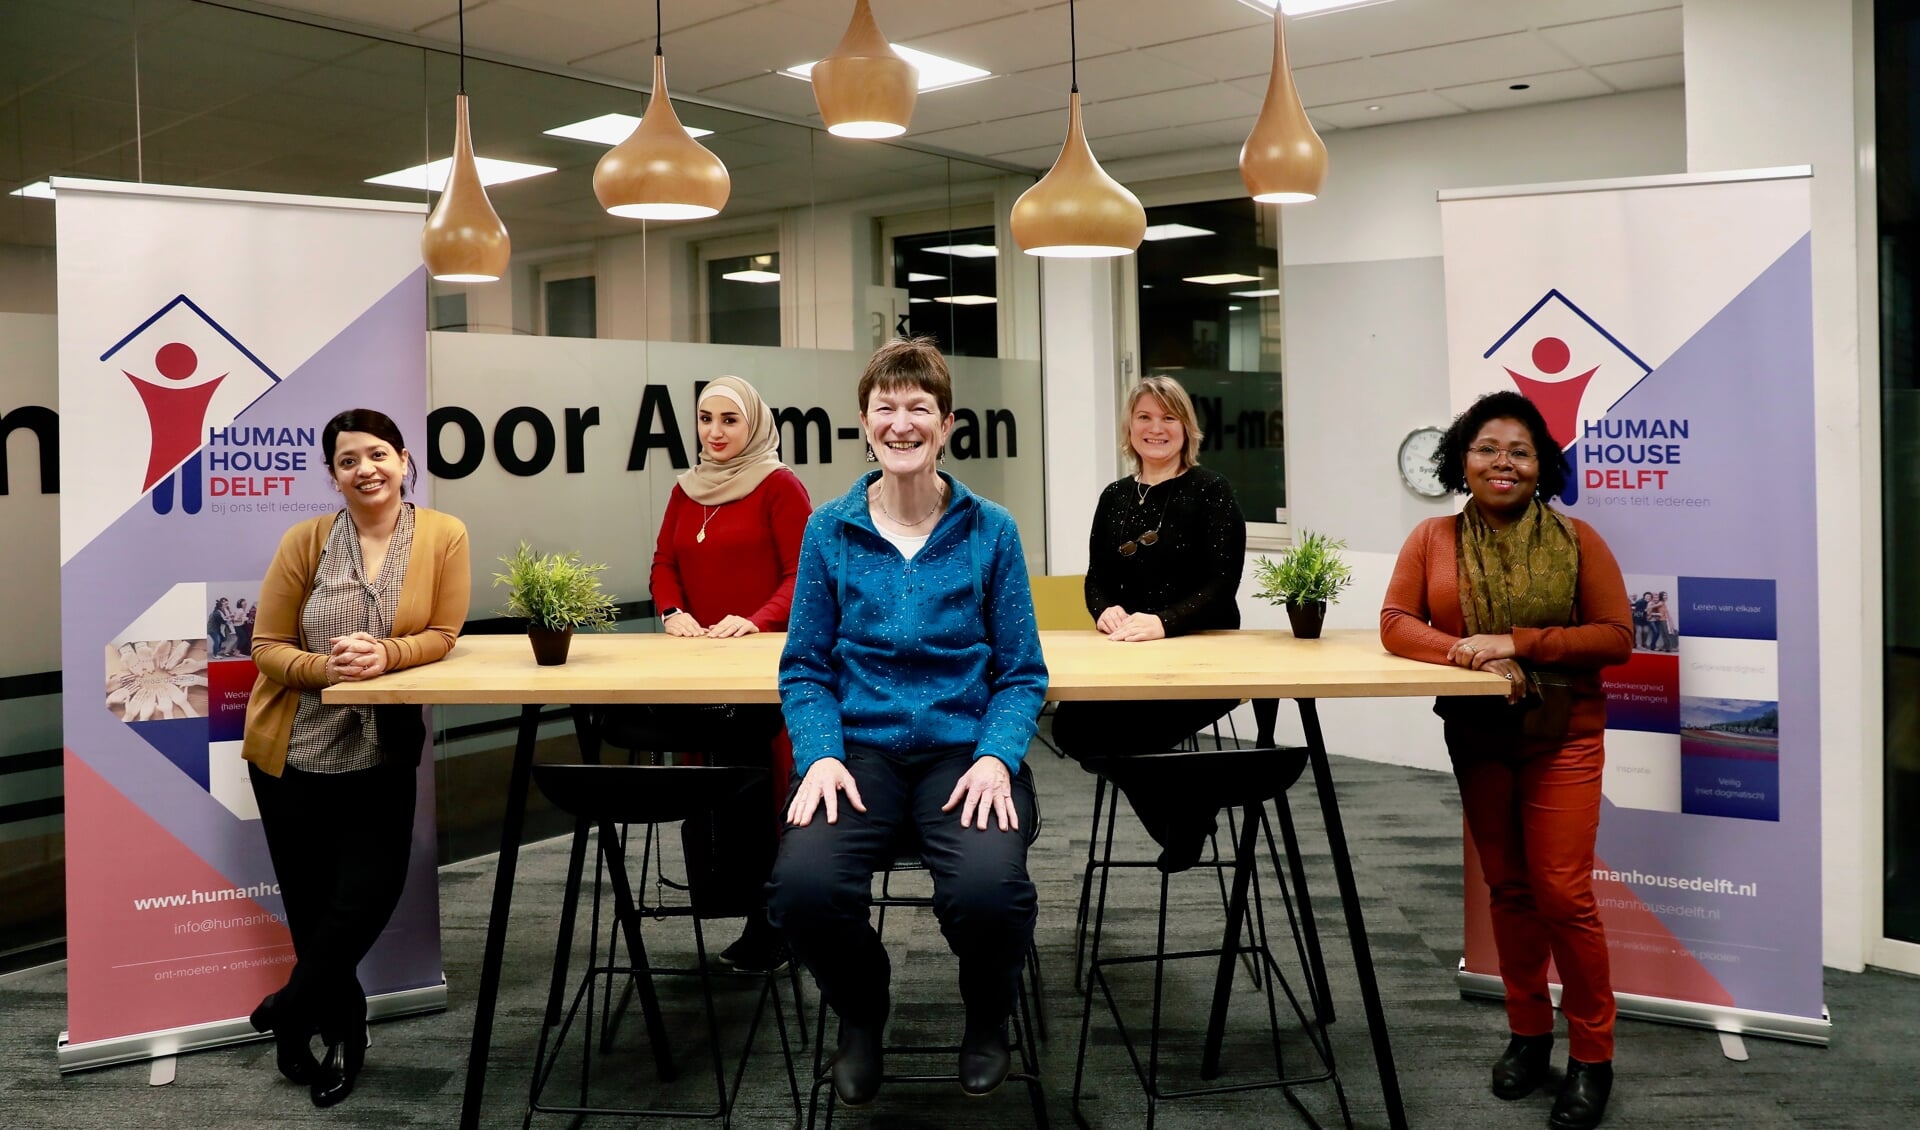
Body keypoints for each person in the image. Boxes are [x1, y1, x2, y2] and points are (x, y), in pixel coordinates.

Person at [767, 338, 1048, 1108]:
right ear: (864, 423)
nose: (901, 423)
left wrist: (997, 757)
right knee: (802, 890)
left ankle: (989, 1016)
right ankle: (861, 1012)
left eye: (918, 408)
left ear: (947, 423)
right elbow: (805, 665)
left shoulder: (992, 529)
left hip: (964, 751)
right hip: (859, 752)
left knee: (992, 894)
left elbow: (1023, 671)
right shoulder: (830, 529)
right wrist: (820, 755)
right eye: (885, 408)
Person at [1380, 390, 1631, 1130]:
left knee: (1562, 892)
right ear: (1463, 457)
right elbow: (1398, 623)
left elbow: (1616, 635)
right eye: (1488, 448)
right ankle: (1529, 1035)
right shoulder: (1432, 538)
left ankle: (1593, 1055)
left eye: (1519, 451)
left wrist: (1517, 641)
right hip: (1479, 732)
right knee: (1511, 891)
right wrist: (1465, 651)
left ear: (1540, 466)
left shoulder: (1579, 540)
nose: (1503, 462)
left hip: (1566, 733)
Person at [242, 408, 470, 1109]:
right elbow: (265, 646)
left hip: (380, 752)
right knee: (314, 913)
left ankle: (288, 1010)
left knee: (366, 897)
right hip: (293, 751)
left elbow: (443, 632)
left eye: (377, 454)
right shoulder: (306, 540)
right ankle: (344, 1035)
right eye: (348, 460)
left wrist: (388, 655)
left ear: (405, 460)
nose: (365, 469)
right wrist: (326, 670)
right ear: (333, 473)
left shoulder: (442, 535)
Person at [625, 375, 811, 971]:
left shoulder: (781, 487)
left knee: (768, 790)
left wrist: (754, 622)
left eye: (729, 420)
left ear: (753, 424)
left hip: (763, 669)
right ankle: (731, 903)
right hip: (700, 666)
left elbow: (802, 575)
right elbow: (663, 562)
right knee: (711, 788)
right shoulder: (686, 488)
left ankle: (777, 922)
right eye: (706, 419)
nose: (715, 432)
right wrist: (673, 612)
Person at [1050, 375, 1247, 872]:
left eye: (1168, 417)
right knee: (1073, 728)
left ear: (1187, 428)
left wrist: (1164, 622)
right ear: (1129, 426)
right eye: (1144, 417)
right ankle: (1190, 809)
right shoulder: (1115, 496)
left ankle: (1181, 821)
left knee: (1121, 736)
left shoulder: (1211, 491)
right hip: (1131, 657)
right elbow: (1097, 577)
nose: (1155, 428)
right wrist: (1104, 610)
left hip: (1205, 657)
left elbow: (1222, 585)